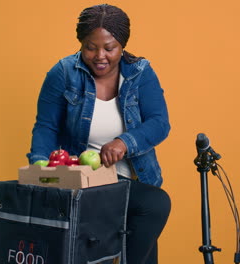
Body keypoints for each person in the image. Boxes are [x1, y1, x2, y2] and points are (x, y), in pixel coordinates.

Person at [27, 4, 171, 263]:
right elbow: (46, 126)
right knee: (154, 208)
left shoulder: (140, 73)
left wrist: (124, 143)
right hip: (83, 181)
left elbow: (160, 123)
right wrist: (40, 169)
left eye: (109, 48)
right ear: (81, 43)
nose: (99, 56)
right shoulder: (63, 73)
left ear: (122, 46)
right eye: (90, 47)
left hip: (132, 181)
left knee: (153, 207)